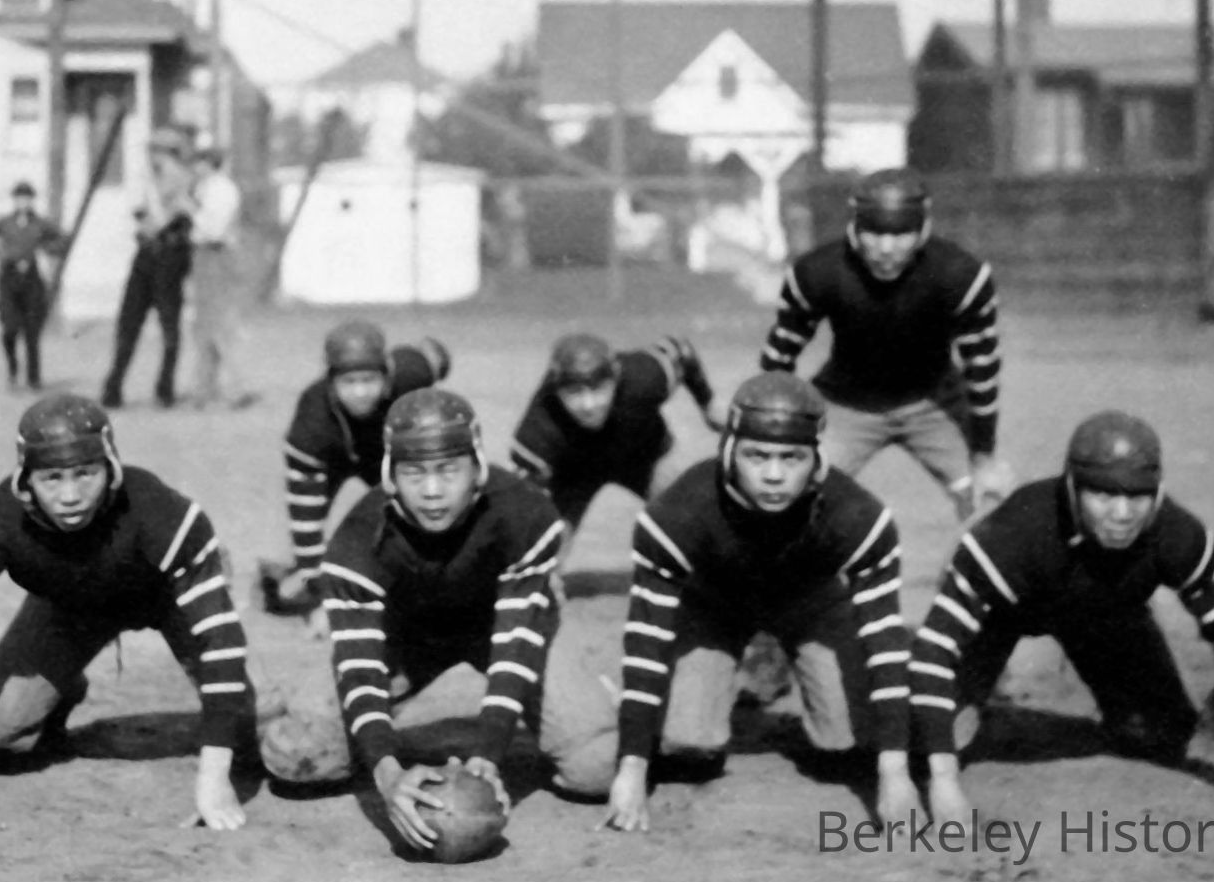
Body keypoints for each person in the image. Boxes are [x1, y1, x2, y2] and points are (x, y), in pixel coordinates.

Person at [0, 394, 258, 830]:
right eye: (51, 478)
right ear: (25, 478)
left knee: (247, 733)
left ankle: (267, 709)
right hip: (71, 605)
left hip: (169, 599)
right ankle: (35, 685)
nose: (70, 495)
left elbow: (220, 643)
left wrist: (213, 779)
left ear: (111, 467)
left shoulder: (163, 515)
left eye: (85, 473)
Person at [262, 388, 616, 853]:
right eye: (414, 472)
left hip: (502, 628)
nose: (432, 490)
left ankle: (608, 699)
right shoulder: (358, 540)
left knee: (597, 764)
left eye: (449, 470)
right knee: (297, 754)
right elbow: (362, 666)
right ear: (390, 474)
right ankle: (270, 706)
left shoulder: (524, 513)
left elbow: (516, 641)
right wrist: (387, 772)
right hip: (407, 638)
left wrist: (489, 752)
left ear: (478, 467)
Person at [909, 411, 1214, 826]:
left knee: (1163, 735)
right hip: (1002, 615)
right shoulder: (1016, 533)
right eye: (1102, 494)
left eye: (1137, 496)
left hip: (1102, 613)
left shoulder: (1178, 536)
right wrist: (944, 781)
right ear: (1072, 487)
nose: (1122, 513)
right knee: (930, 742)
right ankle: (972, 699)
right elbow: (933, 650)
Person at [601, 373, 917, 832]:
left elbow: (885, 640)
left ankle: (795, 667)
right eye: (757, 455)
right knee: (687, 742)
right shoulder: (677, 514)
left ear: (817, 457)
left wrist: (895, 773)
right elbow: (646, 642)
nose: (773, 475)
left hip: (811, 601)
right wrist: (632, 768)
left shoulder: (857, 516)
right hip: (714, 605)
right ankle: (732, 673)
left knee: (850, 741)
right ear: (729, 450)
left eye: (792, 458)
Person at [758, 168, 1013, 521]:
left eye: (901, 234)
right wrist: (776, 434)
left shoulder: (960, 276)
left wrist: (984, 457)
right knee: (787, 499)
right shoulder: (818, 273)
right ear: (854, 227)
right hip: (843, 405)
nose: (886, 249)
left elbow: (982, 371)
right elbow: (779, 359)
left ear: (923, 230)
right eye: (874, 233)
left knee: (991, 505)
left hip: (934, 402)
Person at [266, 320, 451, 623]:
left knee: (420, 515)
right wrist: (315, 597)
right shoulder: (310, 426)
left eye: (369, 379)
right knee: (295, 564)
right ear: (330, 382)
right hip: (330, 458)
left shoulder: (409, 375)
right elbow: (306, 519)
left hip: (380, 454)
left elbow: (434, 358)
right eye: (349, 382)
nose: (361, 392)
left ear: (387, 375)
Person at [508, 332, 723, 532]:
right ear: (556, 391)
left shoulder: (643, 378)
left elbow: (681, 352)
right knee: (541, 546)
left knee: (698, 524)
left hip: (645, 456)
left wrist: (708, 405)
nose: (589, 405)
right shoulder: (537, 433)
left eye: (598, 388)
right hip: (572, 476)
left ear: (616, 377)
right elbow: (524, 514)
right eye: (574, 392)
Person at [100, 127, 199, 410]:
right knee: (128, 323)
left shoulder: (185, 181)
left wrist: (154, 207)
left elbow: (168, 219)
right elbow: (140, 215)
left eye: (157, 151)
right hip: (146, 256)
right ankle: (113, 387)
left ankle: (164, 389)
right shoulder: (150, 181)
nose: (152, 156)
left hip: (170, 257)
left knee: (169, 326)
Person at [186, 146, 255, 410]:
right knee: (204, 326)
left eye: (199, 162)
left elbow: (213, 230)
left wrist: (190, 211)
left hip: (217, 255)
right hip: (204, 256)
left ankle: (237, 387)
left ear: (209, 163)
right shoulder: (204, 189)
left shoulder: (221, 190)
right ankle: (204, 389)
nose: (195, 168)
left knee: (222, 324)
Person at [0, 181, 66, 390]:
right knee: (9, 329)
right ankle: (12, 368)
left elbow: (62, 239)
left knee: (31, 330)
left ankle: (34, 378)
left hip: (31, 278)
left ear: (32, 201)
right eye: (20, 199)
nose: (23, 203)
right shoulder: (4, 222)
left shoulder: (40, 223)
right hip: (9, 278)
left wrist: (47, 248)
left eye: (27, 199)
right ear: (14, 201)